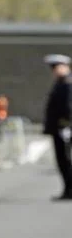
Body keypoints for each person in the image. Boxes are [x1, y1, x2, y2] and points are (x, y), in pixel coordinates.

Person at [43, 54, 72, 201]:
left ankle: (70, 190)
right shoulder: (60, 82)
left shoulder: (67, 83)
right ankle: (67, 189)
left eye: (56, 67)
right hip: (58, 128)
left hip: (64, 128)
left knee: (66, 160)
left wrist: (67, 125)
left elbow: (68, 107)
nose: (54, 71)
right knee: (62, 160)